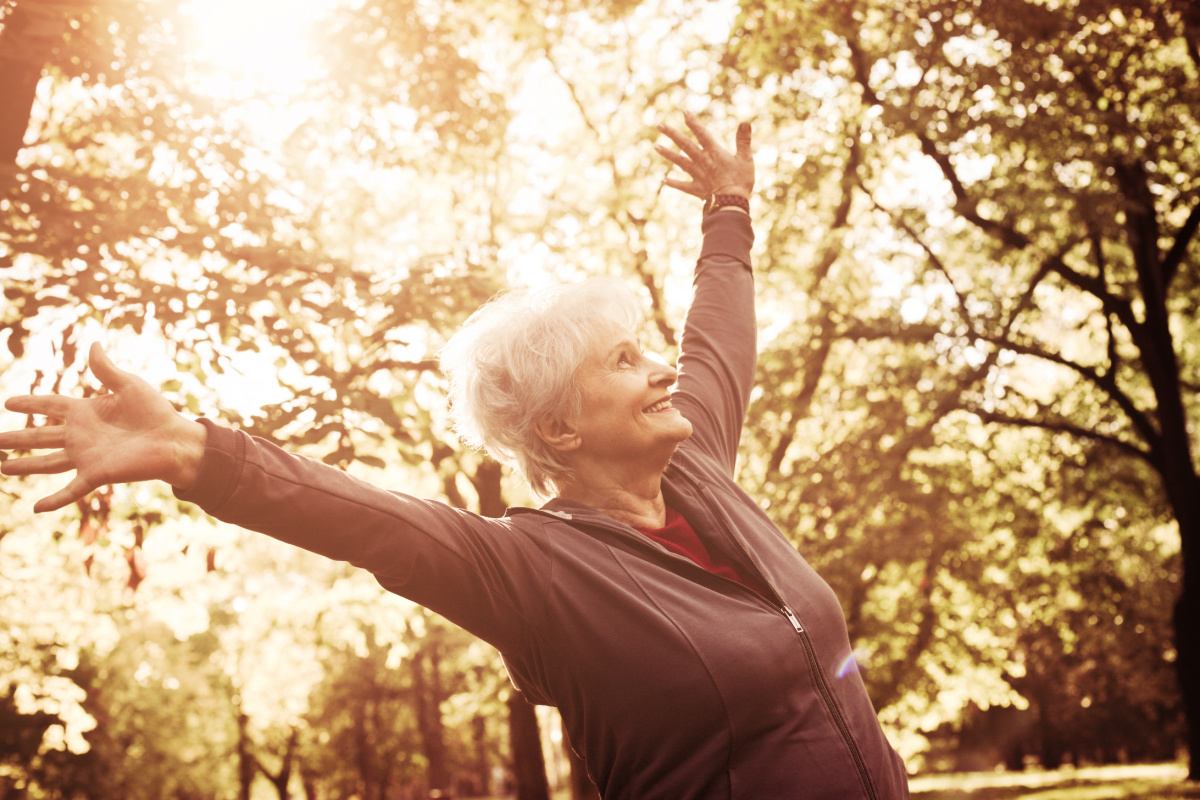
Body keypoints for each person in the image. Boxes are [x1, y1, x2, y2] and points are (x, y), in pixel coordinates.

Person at [0, 112, 910, 799]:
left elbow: (719, 336)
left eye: (647, 348)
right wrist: (188, 450)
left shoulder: (699, 468)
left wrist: (730, 208)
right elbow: (357, 517)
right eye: (624, 360)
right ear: (558, 428)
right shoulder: (532, 572)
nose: (662, 368)